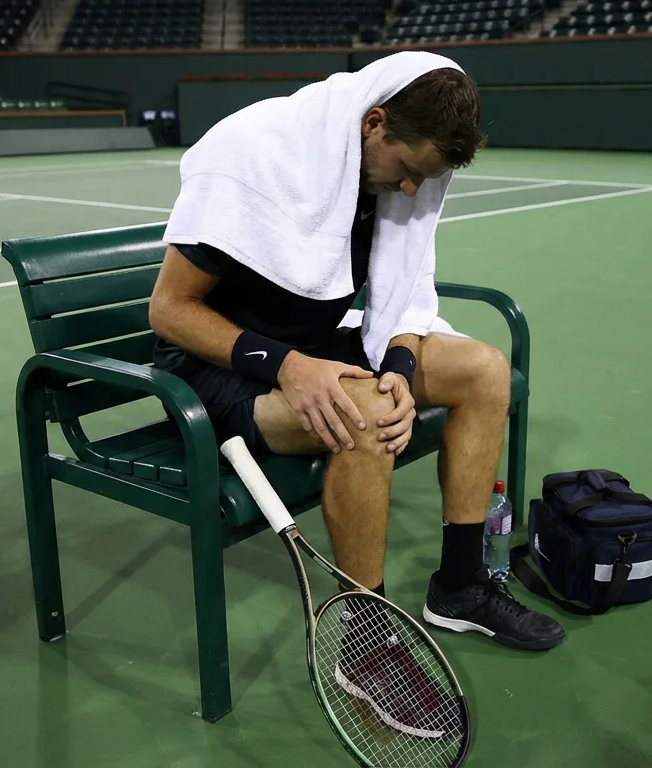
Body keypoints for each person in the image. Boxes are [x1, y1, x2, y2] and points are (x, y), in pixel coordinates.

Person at [150, 52, 563, 675]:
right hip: (217, 371)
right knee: (364, 415)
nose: (409, 191)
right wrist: (288, 365)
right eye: (406, 170)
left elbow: (401, 295)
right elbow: (171, 309)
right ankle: (366, 645)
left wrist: (397, 366)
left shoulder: (386, 173)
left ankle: (460, 585)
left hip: (319, 351)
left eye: (424, 179)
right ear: (373, 124)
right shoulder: (252, 154)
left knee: (484, 369)